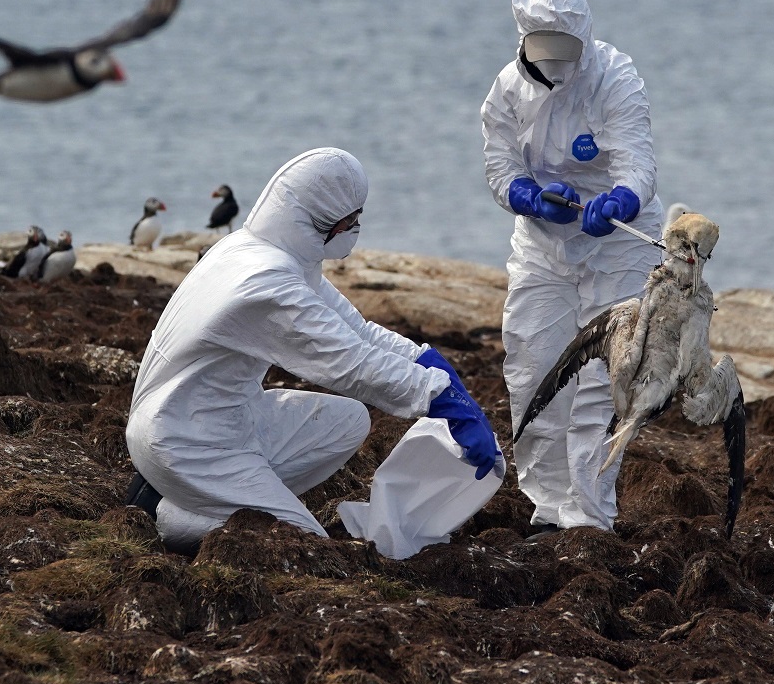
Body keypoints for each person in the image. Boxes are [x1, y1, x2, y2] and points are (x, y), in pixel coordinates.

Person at [125, 148, 499, 552]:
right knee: (304, 547)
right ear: (319, 221)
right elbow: (351, 363)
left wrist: (427, 362)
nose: (356, 230)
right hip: (183, 439)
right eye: (351, 222)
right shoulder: (265, 284)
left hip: (222, 416)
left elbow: (356, 330)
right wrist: (438, 398)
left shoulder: (263, 251)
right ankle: (173, 514)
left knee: (349, 421)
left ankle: (204, 497)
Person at [482, 0, 663, 531]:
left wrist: (621, 201)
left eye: (567, 46)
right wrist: (529, 198)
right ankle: (547, 502)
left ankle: (588, 514)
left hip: (616, 252)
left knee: (600, 383)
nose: (559, 60)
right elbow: (499, 165)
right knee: (533, 367)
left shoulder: (615, 78)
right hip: (543, 246)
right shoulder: (507, 92)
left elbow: (638, 161)